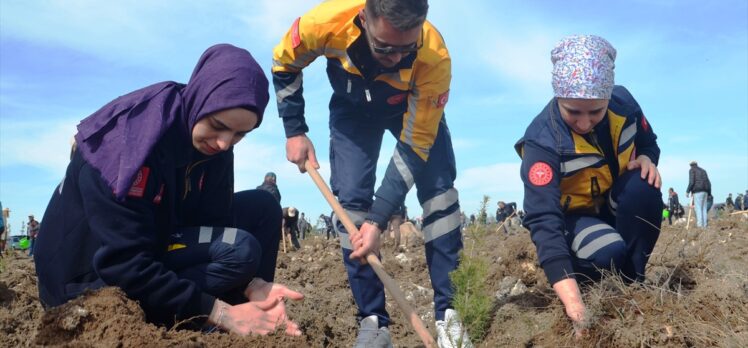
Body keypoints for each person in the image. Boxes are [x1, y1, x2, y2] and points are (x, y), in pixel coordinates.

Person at [33, 44, 303, 336]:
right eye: (218, 125)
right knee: (239, 249)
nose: (225, 142)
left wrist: (252, 284)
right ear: (200, 99)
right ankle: (207, 319)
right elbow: (124, 263)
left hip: (155, 239)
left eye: (240, 134)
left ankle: (253, 312)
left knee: (263, 207)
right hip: (86, 279)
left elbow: (215, 222)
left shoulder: (213, 145)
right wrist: (218, 312)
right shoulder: (128, 144)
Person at [272, 0, 470, 346]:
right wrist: (294, 130)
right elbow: (284, 61)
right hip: (352, 112)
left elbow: (415, 146)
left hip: (407, 107)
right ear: (364, 18)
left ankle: (450, 316)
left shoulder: (434, 57)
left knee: (440, 193)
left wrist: (379, 220)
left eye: (407, 48)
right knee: (351, 205)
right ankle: (374, 320)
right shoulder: (325, 23)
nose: (396, 58)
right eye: (384, 47)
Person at [515, 35, 662, 335]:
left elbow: (649, 143)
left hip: (612, 204)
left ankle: (634, 281)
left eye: (595, 112)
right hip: (573, 221)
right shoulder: (542, 141)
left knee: (643, 187)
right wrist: (572, 301)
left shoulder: (626, 106)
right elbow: (543, 218)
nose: (584, 123)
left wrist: (647, 158)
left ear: (608, 96)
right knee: (607, 251)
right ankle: (587, 279)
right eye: (574, 112)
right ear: (558, 97)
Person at [686, 161, 711, 228]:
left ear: (691, 165)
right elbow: (708, 182)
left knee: (698, 208)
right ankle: (705, 225)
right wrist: (709, 193)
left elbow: (691, 182)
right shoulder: (703, 171)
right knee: (704, 208)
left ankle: (700, 226)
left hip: (697, 191)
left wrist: (688, 191)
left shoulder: (692, 170)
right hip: (705, 191)